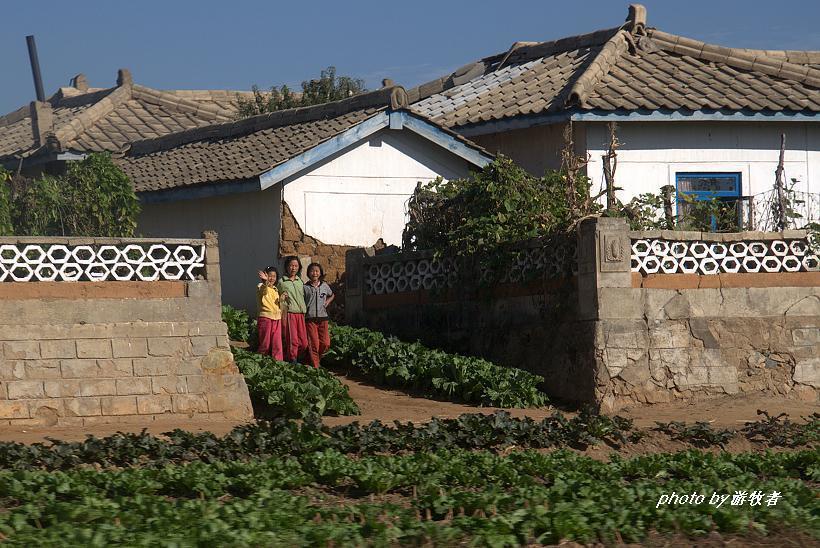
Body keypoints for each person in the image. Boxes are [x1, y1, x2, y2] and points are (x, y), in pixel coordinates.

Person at [277, 256, 308, 363]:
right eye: (291, 265)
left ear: (299, 267)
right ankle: (292, 360)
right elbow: (278, 298)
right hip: (290, 313)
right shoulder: (282, 282)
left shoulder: (300, 282)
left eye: (296, 266)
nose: (293, 268)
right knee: (293, 340)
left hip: (301, 313)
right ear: (286, 267)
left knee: (304, 342)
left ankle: (296, 358)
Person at [303, 262, 334, 368]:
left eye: (316, 271)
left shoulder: (325, 286)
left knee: (325, 343)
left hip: (323, 318)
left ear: (320, 273)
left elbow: (332, 294)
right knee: (314, 343)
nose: (314, 273)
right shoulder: (305, 287)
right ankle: (316, 366)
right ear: (308, 273)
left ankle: (313, 358)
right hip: (310, 318)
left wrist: (328, 301)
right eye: (312, 271)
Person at [255, 266, 284, 360]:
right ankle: (260, 360)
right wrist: (265, 281)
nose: (272, 278)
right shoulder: (261, 286)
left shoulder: (276, 290)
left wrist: (282, 298)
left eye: (274, 276)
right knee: (265, 343)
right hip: (265, 318)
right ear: (265, 276)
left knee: (277, 344)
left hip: (277, 319)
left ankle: (278, 363)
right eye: (269, 276)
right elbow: (264, 291)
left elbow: (278, 304)